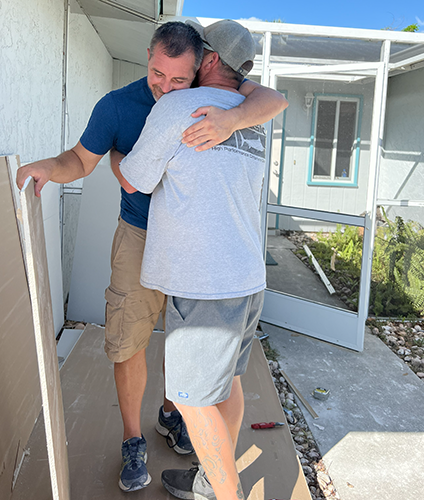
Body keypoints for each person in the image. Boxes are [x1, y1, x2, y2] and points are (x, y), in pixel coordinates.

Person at [16, 21, 287, 493]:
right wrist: (47, 167)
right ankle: (136, 440)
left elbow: (272, 98)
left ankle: (185, 432)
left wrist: (231, 120)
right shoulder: (121, 105)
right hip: (159, 242)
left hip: (192, 253)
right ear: (148, 56)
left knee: (189, 365)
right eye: (158, 74)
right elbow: (80, 160)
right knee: (138, 343)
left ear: (203, 64)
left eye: (178, 79)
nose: (165, 86)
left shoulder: (220, 104)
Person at [119, 19, 273, 500]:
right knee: (225, 386)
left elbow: (134, 180)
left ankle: (227, 495)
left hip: (206, 283)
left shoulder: (179, 107)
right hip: (248, 278)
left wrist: (118, 160)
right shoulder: (254, 118)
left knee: (190, 399)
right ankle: (210, 481)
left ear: (207, 59)